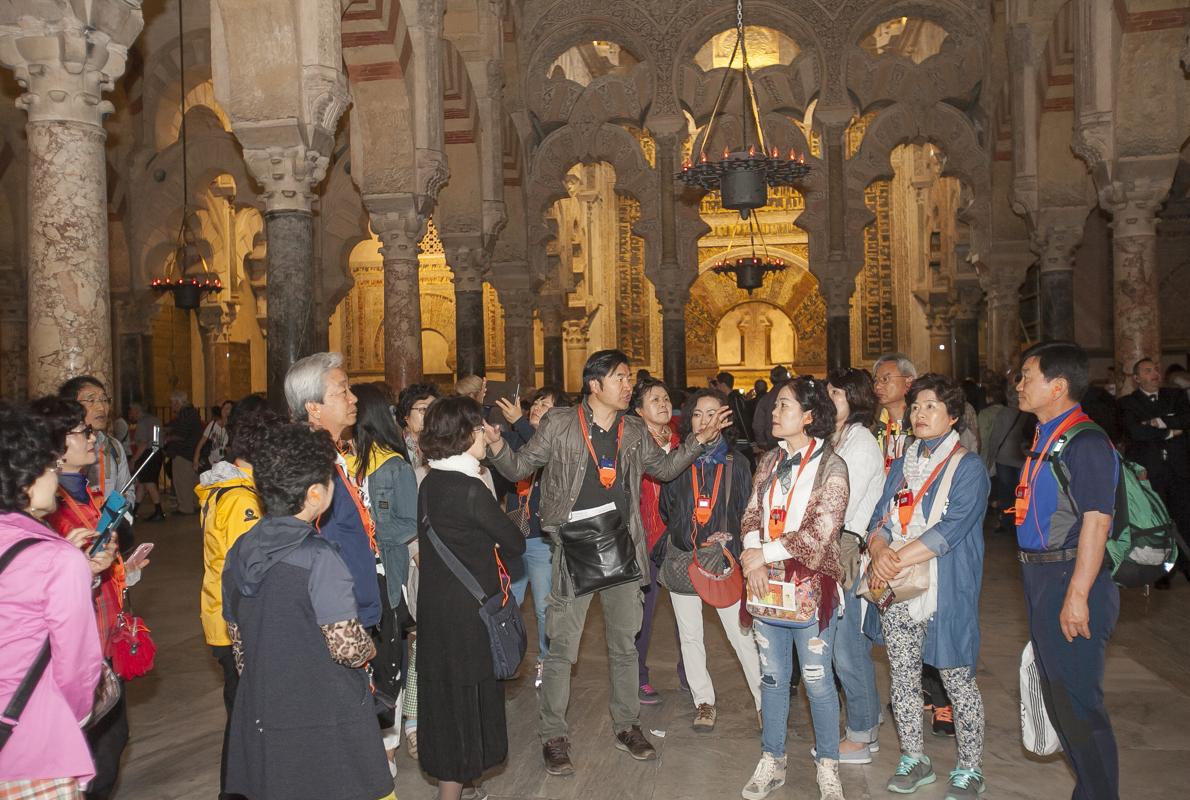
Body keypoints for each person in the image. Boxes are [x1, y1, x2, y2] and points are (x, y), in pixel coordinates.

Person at [483, 350, 731, 776]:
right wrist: (496, 445)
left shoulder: (633, 429)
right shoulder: (561, 423)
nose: (628, 385)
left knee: (624, 645)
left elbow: (667, 469)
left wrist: (698, 441)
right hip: (572, 548)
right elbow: (522, 465)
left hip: (622, 545)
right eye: (620, 378)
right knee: (562, 648)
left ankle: (628, 725)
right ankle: (554, 736)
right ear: (595, 384)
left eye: (629, 377)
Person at [221, 422, 394, 800]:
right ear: (316, 493)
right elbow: (346, 646)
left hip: (267, 710)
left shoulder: (238, 551)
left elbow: (240, 649)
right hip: (325, 714)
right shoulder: (318, 558)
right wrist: (371, 649)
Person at [864, 373, 990, 799]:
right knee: (902, 676)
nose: (919, 414)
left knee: (956, 677)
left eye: (931, 406)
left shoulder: (967, 467)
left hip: (945, 584)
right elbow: (880, 516)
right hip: (900, 585)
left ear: (953, 416)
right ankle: (914, 757)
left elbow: (953, 529)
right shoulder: (903, 462)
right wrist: (878, 548)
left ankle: (970, 767)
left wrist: (893, 557)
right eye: (916, 406)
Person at [1014, 342, 1121, 799]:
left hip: (1072, 578)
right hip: (1043, 578)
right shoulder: (1047, 436)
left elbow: (1098, 521)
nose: (1019, 384)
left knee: (1079, 704)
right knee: (1060, 701)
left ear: (1057, 386)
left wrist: (1077, 594)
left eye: (1027, 376)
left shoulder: (1088, 441)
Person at [738, 377, 850, 800]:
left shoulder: (831, 467)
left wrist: (762, 555)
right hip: (766, 586)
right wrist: (753, 559)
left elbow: (820, 532)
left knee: (819, 680)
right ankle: (773, 759)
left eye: (783, 406)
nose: (773, 412)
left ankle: (828, 765)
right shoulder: (768, 461)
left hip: (810, 588)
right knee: (772, 678)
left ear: (808, 416)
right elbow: (751, 514)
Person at [33, 396, 145, 800]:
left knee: (110, 743)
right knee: (95, 754)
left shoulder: (86, 493)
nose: (93, 438)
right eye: (84, 431)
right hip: (75, 647)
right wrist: (81, 568)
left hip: (101, 633)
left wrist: (114, 570)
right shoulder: (44, 515)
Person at [417, 395, 526, 800]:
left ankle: (465, 783)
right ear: (464, 434)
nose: (487, 433)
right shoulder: (470, 488)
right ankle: (453, 791)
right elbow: (513, 543)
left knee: (445, 698)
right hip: (470, 616)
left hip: (437, 611)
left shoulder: (430, 484)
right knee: (467, 700)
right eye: (481, 427)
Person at [0, 403, 107, 799]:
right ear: (24, 478)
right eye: (48, 468)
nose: (55, 478)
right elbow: (77, 666)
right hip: (33, 746)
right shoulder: (56, 559)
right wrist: (73, 718)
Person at [657, 388, 757, 731]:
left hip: (722, 562)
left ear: (724, 419)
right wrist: (689, 530)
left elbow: (747, 512)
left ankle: (763, 702)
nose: (705, 420)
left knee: (741, 635)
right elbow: (666, 507)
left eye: (712, 413)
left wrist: (729, 539)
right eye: (698, 414)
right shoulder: (679, 458)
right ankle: (703, 702)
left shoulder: (738, 463)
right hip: (685, 557)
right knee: (689, 635)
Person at [195, 394, 275, 800]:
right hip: (235, 625)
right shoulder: (244, 500)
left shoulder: (224, 487)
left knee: (242, 716)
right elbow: (251, 573)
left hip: (219, 619)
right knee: (247, 720)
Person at [871, 352, 954, 736]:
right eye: (876, 380)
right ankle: (913, 690)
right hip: (890, 530)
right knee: (899, 627)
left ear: (909, 381)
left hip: (924, 537)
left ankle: (942, 701)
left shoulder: (924, 428)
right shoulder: (878, 426)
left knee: (932, 622)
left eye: (886, 378)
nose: (878, 386)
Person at [285, 353, 381, 631]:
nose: (354, 398)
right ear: (314, 407)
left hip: (351, 607)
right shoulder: (306, 466)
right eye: (342, 391)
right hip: (336, 617)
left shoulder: (331, 455)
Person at [352, 382, 418, 773]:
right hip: (355, 578)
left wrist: (369, 528)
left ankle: (388, 750)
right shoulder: (345, 461)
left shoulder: (393, 465)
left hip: (385, 577)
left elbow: (409, 523)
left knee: (387, 664)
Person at [824, 368, 885, 763]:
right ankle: (867, 722)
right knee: (841, 648)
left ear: (855, 398)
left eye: (835, 395)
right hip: (832, 551)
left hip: (849, 554)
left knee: (848, 650)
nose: (828, 402)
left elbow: (841, 503)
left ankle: (861, 735)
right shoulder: (838, 437)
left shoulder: (861, 443)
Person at [493, 386, 571, 689]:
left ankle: (546, 662)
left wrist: (522, 424)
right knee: (507, 601)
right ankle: (506, 657)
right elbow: (500, 454)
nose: (538, 406)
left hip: (541, 540)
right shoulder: (516, 437)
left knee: (543, 607)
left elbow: (546, 454)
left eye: (546, 404)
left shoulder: (563, 443)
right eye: (536, 402)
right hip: (513, 535)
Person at [630, 376, 685, 705]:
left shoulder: (682, 442)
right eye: (654, 400)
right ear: (639, 410)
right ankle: (638, 677)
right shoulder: (633, 446)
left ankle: (689, 673)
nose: (663, 403)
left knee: (686, 615)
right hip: (645, 540)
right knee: (642, 617)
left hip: (678, 541)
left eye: (666, 398)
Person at [1119, 357, 1190, 587]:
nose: (1155, 374)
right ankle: (1162, 574)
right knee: (1158, 524)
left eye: (1156, 370)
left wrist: (1157, 422)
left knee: (1184, 519)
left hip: (1178, 470)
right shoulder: (1128, 403)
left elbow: (1186, 419)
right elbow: (1135, 432)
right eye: (1148, 371)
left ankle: (1187, 565)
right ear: (1137, 378)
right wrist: (1170, 431)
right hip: (1150, 473)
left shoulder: (1175, 396)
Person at [59, 376, 134, 510]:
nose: (101, 407)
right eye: (91, 400)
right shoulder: (56, 446)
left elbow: (127, 491)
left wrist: (118, 516)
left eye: (105, 400)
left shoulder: (113, 446)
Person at [164, 391, 202, 514]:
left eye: (172, 403)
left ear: (177, 402)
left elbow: (181, 434)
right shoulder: (191, 412)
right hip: (192, 452)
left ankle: (185, 508)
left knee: (182, 481)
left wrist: (167, 438)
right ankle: (195, 504)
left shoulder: (185, 414)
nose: (171, 406)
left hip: (183, 452)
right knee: (193, 481)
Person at [128, 402, 165, 521]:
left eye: (131, 411)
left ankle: (159, 511)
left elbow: (143, 444)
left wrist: (134, 459)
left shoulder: (142, 422)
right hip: (157, 452)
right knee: (143, 483)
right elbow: (156, 439)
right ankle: (134, 511)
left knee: (149, 482)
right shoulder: (155, 420)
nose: (130, 414)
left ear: (137, 411)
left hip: (148, 454)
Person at [397, 383, 438, 481]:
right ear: (406, 414)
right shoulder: (394, 446)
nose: (429, 415)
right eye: (423, 409)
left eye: (434, 409)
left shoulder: (442, 445)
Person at [752, 365, 791, 451]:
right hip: (791, 441)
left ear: (771, 380)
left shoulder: (765, 399)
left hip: (772, 443)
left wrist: (762, 442)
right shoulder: (794, 396)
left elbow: (758, 424)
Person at [194, 399, 234, 474]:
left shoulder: (233, 428)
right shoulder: (213, 424)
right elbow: (201, 442)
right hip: (210, 464)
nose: (225, 410)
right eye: (224, 408)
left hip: (225, 466)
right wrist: (195, 460)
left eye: (228, 408)